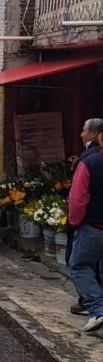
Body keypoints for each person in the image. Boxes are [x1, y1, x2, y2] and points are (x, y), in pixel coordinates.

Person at [68, 120, 103, 332]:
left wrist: (74, 222)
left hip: (93, 227)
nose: (81, 134)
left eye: (83, 130)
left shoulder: (90, 162)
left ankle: (99, 310)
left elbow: (78, 198)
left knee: (80, 265)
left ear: (98, 136)